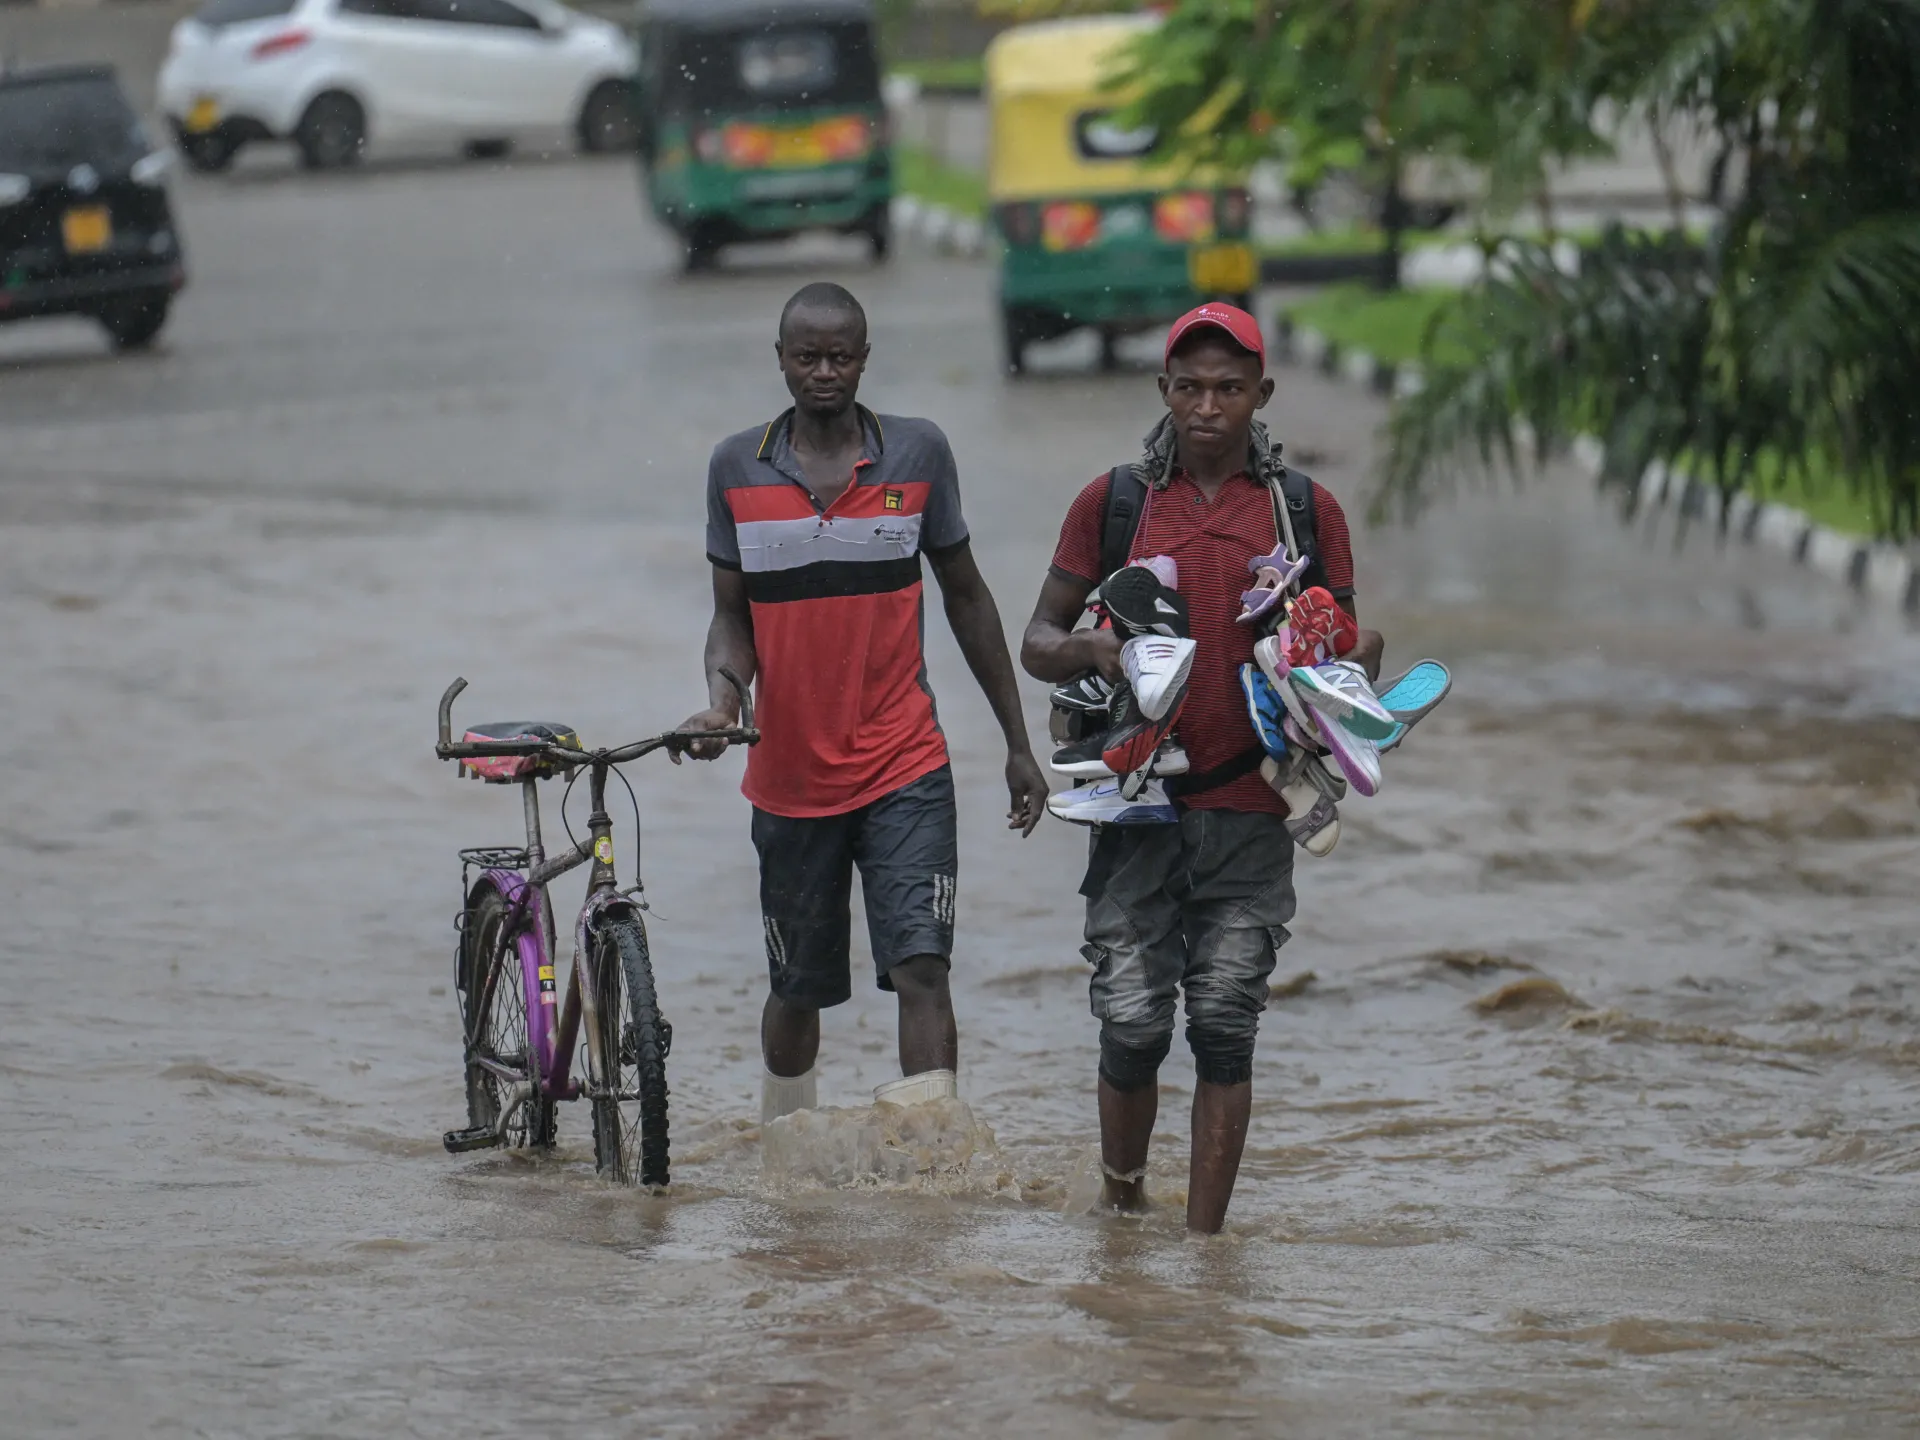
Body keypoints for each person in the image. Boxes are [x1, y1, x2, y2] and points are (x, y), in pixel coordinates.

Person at [1020, 302, 1383, 1233]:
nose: (1208, 406)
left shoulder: (1304, 511)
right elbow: (1038, 639)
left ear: (1262, 394)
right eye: (1190, 388)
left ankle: (1207, 1252)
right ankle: (1123, 1209)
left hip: (1255, 806)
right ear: (1164, 393)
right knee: (1133, 1023)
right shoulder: (1117, 505)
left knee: (1225, 1023)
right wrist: (1106, 655)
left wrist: (1334, 669)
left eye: (1229, 388)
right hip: (1135, 805)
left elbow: (1351, 640)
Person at [678, 282, 1047, 1125]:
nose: (823, 373)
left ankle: (932, 1161)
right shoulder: (736, 468)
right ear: (779, 361)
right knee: (797, 991)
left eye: (841, 356)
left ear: (866, 359)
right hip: (789, 777)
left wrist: (1017, 743)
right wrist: (720, 703)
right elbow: (731, 620)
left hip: (903, 762)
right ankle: (783, 1144)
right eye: (806, 357)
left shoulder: (918, 455)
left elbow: (967, 597)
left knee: (922, 968)